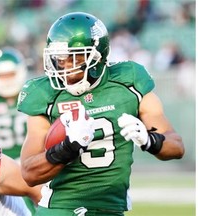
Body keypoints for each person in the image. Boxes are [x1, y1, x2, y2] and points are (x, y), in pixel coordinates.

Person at [17, 12, 185, 216]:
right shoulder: (44, 94)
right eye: (61, 60)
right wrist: (67, 148)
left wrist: (150, 140)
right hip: (61, 208)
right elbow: (29, 173)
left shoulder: (128, 80)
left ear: (97, 57)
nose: (66, 68)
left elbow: (176, 146)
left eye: (74, 59)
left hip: (112, 209)